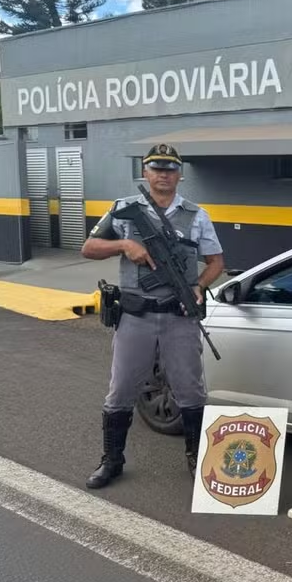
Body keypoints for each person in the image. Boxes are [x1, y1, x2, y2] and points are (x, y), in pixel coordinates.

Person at [81, 143, 225, 489]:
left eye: (170, 169)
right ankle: (112, 460)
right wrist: (123, 245)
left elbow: (216, 261)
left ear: (180, 175)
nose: (164, 174)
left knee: (191, 391)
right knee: (121, 391)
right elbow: (89, 248)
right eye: (156, 168)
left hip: (179, 316)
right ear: (145, 172)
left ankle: (196, 458)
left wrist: (199, 286)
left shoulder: (197, 215)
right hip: (136, 315)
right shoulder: (123, 210)